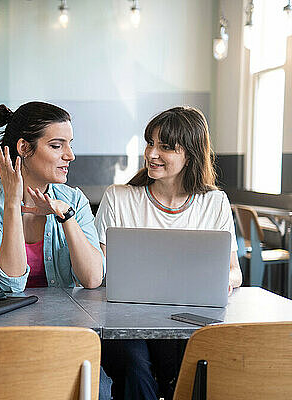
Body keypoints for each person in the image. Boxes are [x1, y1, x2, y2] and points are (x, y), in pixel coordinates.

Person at [0, 101, 111, 399]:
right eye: (57, 146)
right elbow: (12, 282)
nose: (70, 155)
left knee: (100, 390)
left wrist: (65, 215)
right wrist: (12, 202)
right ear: (24, 148)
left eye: (69, 145)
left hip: (65, 331)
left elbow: (93, 278)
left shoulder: (73, 200)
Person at [94, 106, 243, 400]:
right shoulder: (119, 197)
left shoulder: (214, 202)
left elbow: (235, 271)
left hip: (189, 318)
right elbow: (99, 271)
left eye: (165, 147)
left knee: (186, 371)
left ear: (191, 154)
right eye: (150, 142)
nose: (151, 153)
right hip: (126, 319)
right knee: (136, 368)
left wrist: (225, 280)